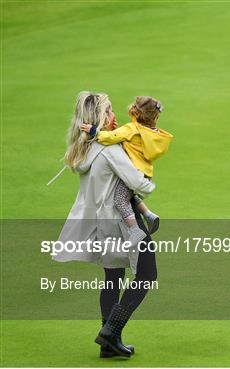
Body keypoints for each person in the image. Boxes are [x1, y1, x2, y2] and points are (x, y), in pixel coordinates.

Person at [54, 91, 158, 358]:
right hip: (123, 222)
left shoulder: (85, 148)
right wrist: (149, 183)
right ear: (100, 117)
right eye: (110, 112)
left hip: (102, 225)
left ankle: (108, 344)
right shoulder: (110, 149)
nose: (115, 117)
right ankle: (111, 331)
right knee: (147, 276)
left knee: (113, 278)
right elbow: (138, 184)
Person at [80, 96, 173, 247]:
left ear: (135, 112)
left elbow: (110, 138)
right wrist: (117, 130)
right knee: (129, 195)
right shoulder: (151, 133)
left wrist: (94, 132)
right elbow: (130, 141)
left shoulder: (131, 128)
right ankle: (148, 215)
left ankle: (135, 230)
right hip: (146, 172)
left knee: (120, 200)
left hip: (133, 172)